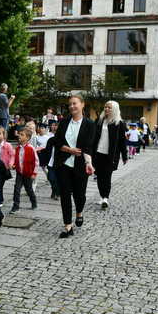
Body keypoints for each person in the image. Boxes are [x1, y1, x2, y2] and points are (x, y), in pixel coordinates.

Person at [53, 95, 96, 239]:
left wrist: (89, 163)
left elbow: (89, 147)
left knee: (79, 194)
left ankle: (79, 212)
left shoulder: (90, 124)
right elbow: (56, 141)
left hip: (80, 165)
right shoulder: (64, 122)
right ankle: (67, 226)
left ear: (82, 105)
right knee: (64, 194)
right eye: (70, 104)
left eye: (75, 103)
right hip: (63, 164)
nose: (72, 106)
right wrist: (68, 149)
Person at [92, 101, 128, 209]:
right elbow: (93, 137)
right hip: (98, 153)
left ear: (115, 110)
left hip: (110, 155)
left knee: (107, 176)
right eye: (106, 107)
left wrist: (124, 156)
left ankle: (105, 198)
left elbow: (122, 141)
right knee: (99, 176)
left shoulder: (119, 123)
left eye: (109, 107)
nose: (107, 109)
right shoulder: (99, 120)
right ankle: (102, 196)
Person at [9, 127, 39, 214]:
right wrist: (14, 165)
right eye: (19, 134)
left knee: (29, 189)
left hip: (28, 174)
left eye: (22, 135)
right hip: (19, 173)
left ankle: (33, 201)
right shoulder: (17, 148)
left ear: (27, 138)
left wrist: (34, 173)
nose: (19, 136)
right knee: (16, 189)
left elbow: (36, 162)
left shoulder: (31, 148)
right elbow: (16, 159)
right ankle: (15, 206)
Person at [44, 122, 60, 200]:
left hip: (59, 163)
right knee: (50, 178)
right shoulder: (50, 140)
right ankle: (54, 190)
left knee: (57, 179)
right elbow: (47, 151)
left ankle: (56, 192)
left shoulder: (63, 140)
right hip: (50, 162)